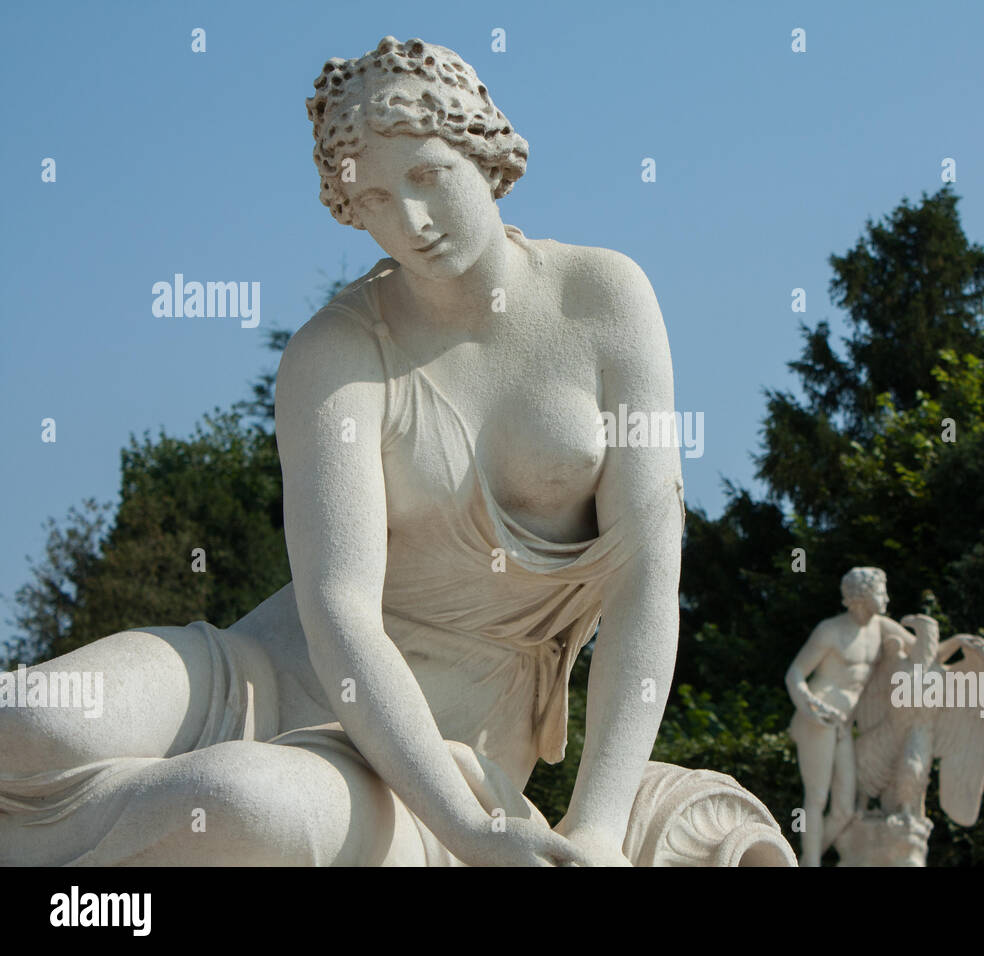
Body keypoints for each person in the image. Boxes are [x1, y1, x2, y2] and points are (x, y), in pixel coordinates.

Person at [0, 37, 687, 867]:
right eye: (377, 202)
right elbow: (340, 613)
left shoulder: (605, 300)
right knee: (26, 719)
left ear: (481, 150)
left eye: (427, 177)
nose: (414, 223)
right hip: (267, 667)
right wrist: (469, 835)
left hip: (431, 753)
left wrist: (597, 827)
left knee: (231, 801)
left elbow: (647, 584)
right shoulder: (335, 351)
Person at [784, 566, 911, 866]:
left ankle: (803, 861)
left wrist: (958, 645)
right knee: (816, 798)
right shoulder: (830, 630)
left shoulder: (881, 627)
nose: (887, 597)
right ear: (863, 596)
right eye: (881, 592)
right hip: (818, 719)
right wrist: (812, 708)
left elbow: (923, 650)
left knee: (845, 809)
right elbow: (795, 674)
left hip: (843, 725)